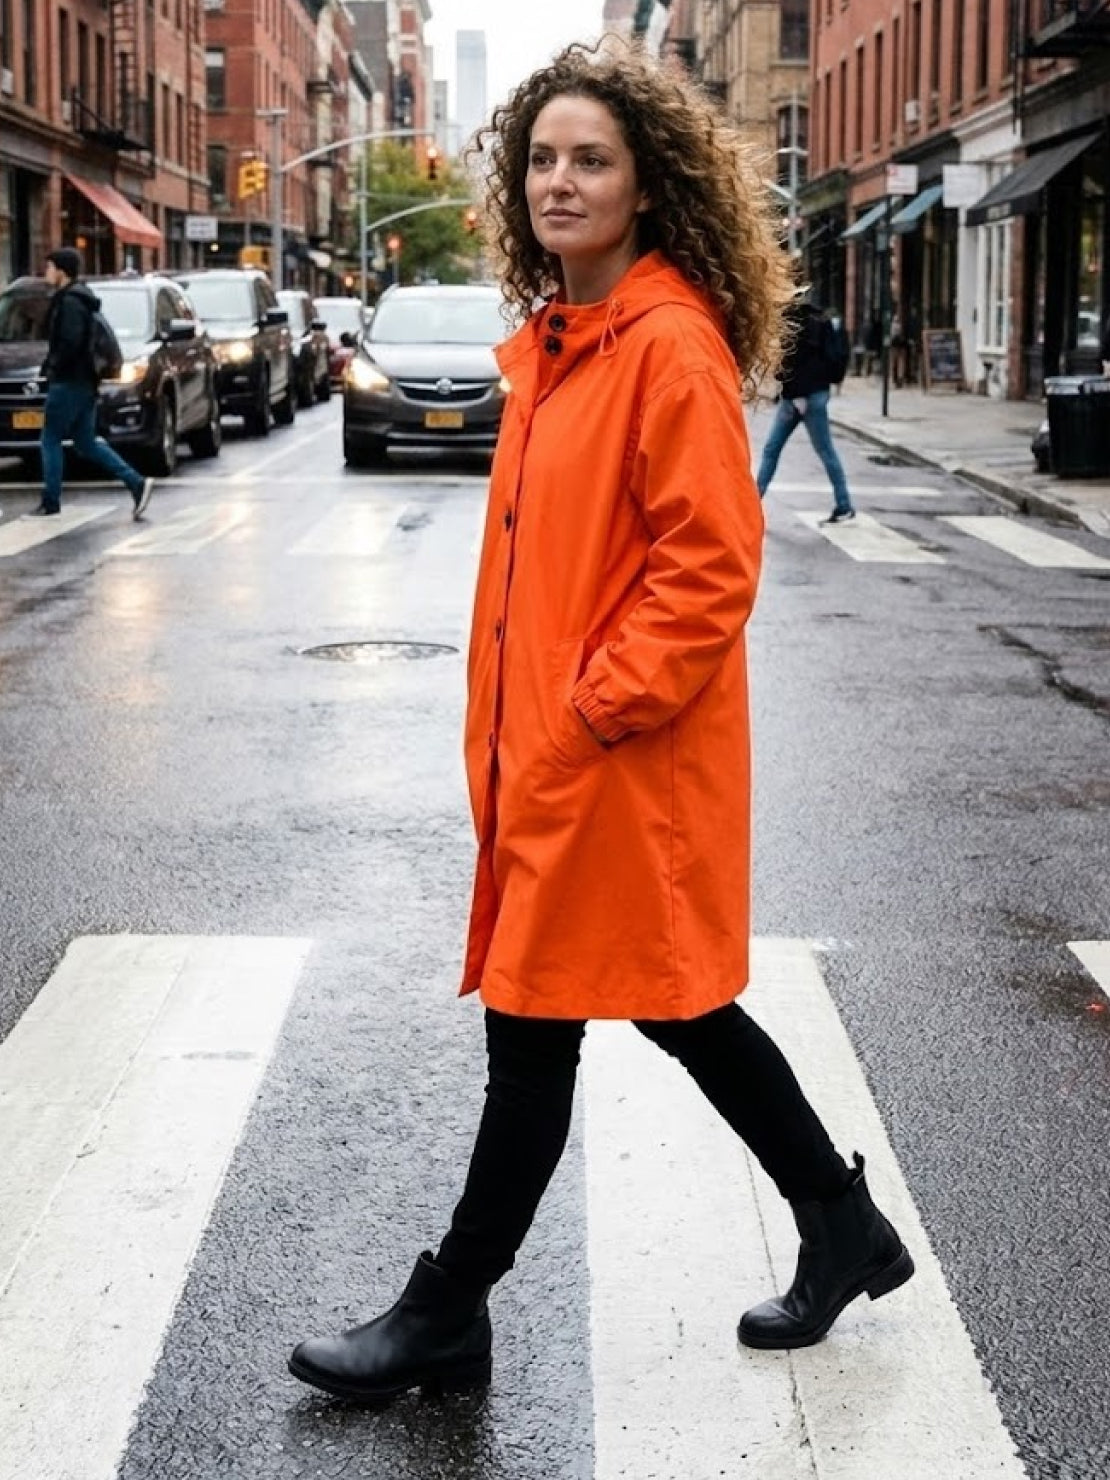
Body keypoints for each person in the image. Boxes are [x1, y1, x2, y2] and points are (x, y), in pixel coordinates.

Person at [289, 40, 912, 1404]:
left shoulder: (663, 347)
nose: (560, 181)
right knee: (672, 1010)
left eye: (592, 160)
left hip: (617, 765)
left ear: (645, 187)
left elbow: (707, 571)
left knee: (541, 1025)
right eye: (542, 160)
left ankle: (445, 1308)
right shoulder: (561, 346)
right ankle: (839, 1221)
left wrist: (583, 717)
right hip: (559, 763)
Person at [31, 247, 153, 520]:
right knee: (86, 442)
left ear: (61, 271)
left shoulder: (71, 302)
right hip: (84, 382)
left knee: (49, 438)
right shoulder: (80, 299)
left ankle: (51, 501)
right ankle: (136, 482)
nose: (47, 272)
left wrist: (51, 368)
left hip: (69, 381)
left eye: (50, 267)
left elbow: (69, 344)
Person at [756, 292, 856, 523]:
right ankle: (843, 504)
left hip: (799, 398)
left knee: (772, 449)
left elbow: (790, 362)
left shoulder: (793, 321)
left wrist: (793, 394)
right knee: (825, 451)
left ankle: (751, 504)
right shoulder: (822, 319)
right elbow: (830, 358)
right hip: (817, 394)